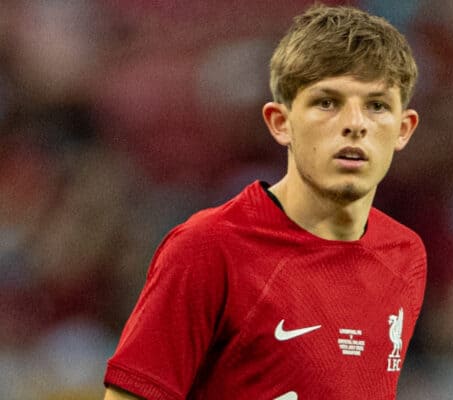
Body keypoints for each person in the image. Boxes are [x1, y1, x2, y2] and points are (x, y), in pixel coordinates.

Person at [104, 4, 426, 400]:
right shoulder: (206, 248)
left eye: (377, 105)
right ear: (280, 122)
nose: (355, 124)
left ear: (403, 129)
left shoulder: (405, 254)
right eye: (327, 102)